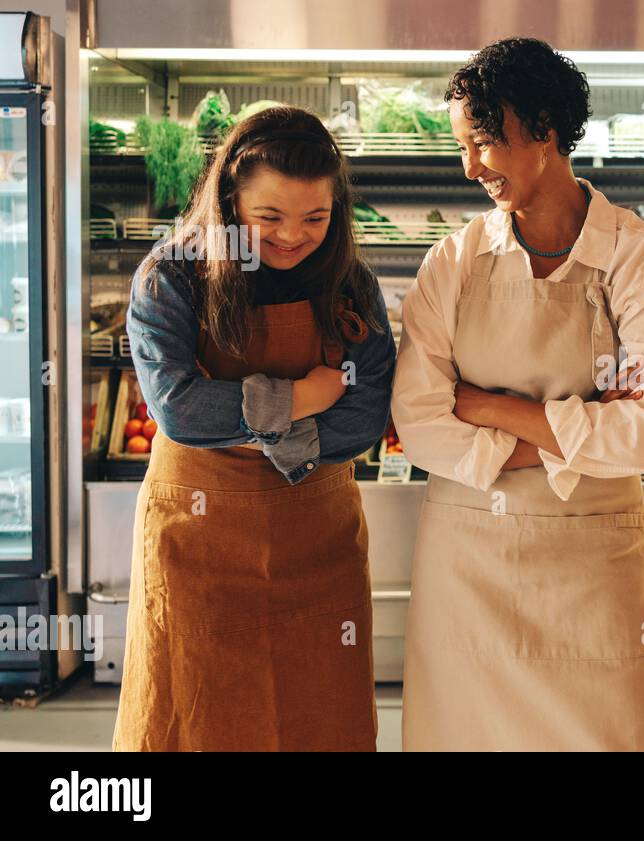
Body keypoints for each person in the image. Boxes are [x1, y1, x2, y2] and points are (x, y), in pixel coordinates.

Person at [393, 38, 644, 751]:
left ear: (546, 129)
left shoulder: (640, 259)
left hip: (593, 570)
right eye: (463, 148)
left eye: (486, 143)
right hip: (468, 569)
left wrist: (493, 408)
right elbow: (421, 424)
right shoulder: (452, 263)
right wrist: (578, 438)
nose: (471, 168)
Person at [113, 106, 395, 751]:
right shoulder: (173, 276)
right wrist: (304, 395)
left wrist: (254, 419)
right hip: (198, 537)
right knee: (193, 712)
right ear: (228, 199)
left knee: (320, 715)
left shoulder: (349, 282)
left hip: (316, 538)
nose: (293, 236)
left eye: (315, 218)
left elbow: (365, 416)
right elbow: (180, 410)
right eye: (268, 218)